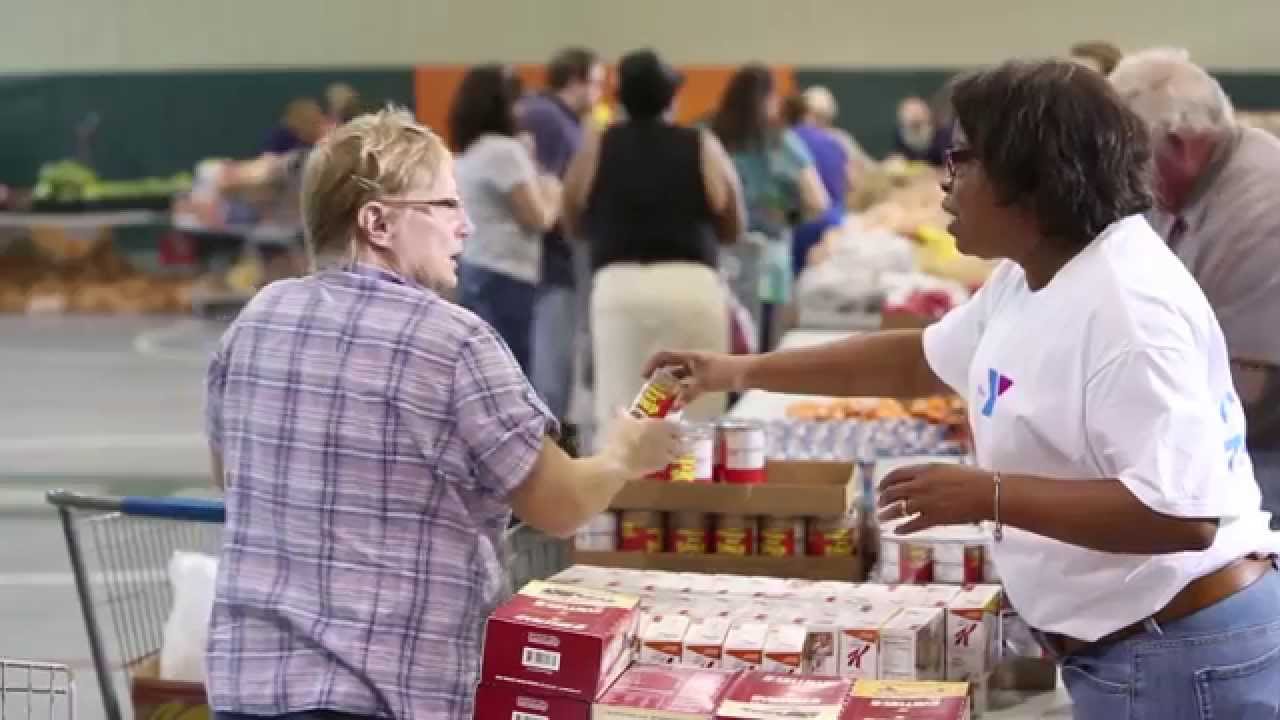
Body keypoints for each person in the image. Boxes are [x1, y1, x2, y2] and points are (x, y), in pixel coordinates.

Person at [647, 60, 1280, 718]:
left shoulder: (1130, 310)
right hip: (1133, 648)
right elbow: (917, 361)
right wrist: (736, 371)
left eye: (963, 159)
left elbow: (1180, 515)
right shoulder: (1039, 273)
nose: (945, 182)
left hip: (1183, 658)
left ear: (1030, 175)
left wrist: (988, 495)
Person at [204, 107, 681, 720]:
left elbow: (230, 476)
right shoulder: (453, 343)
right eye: (447, 205)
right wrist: (622, 456)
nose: (466, 226)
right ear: (378, 222)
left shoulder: (257, 320)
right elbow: (559, 505)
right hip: (381, 697)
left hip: (249, 692)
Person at [1111, 48, 1280, 527]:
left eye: (1132, 160)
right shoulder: (1186, 186)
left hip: (1260, 444)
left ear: (1183, 145)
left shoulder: (1260, 209)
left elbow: (1247, 392)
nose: (1123, 176)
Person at [562, 49, 745, 433]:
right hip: (691, 286)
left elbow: (571, 217)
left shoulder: (598, 145)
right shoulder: (701, 144)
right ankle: (695, 474)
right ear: (673, 97)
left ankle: (623, 474)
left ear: (619, 98)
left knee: (622, 415)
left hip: (619, 288)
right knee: (696, 416)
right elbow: (733, 223)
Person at [450, 65, 562, 372]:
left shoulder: (472, 150)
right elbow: (538, 217)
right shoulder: (505, 151)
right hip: (506, 276)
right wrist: (553, 187)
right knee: (511, 371)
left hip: (477, 268)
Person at [519, 47, 607, 427]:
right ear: (574, 80)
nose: (600, 94)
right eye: (596, 83)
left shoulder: (569, 123)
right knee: (550, 376)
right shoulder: (547, 118)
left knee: (560, 374)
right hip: (550, 265)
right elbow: (549, 189)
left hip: (563, 262)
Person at [711, 64, 828, 348]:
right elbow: (817, 200)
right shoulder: (781, 141)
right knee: (764, 352)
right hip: (770, 261)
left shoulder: (713, 137)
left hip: (722, 258)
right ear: (767, 100)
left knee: (725, 346)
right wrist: (789, 216)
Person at [780, 94, 848, 275]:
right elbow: (847, 184)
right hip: (833, 227)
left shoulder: (783, 143)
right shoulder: (835, 144)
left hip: (798, 229)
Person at [891, 96, 947, 166]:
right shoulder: (900, 135)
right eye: (909, 111)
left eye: (917, 111)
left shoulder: (941, 134)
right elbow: (900, 157)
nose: (913, 115)